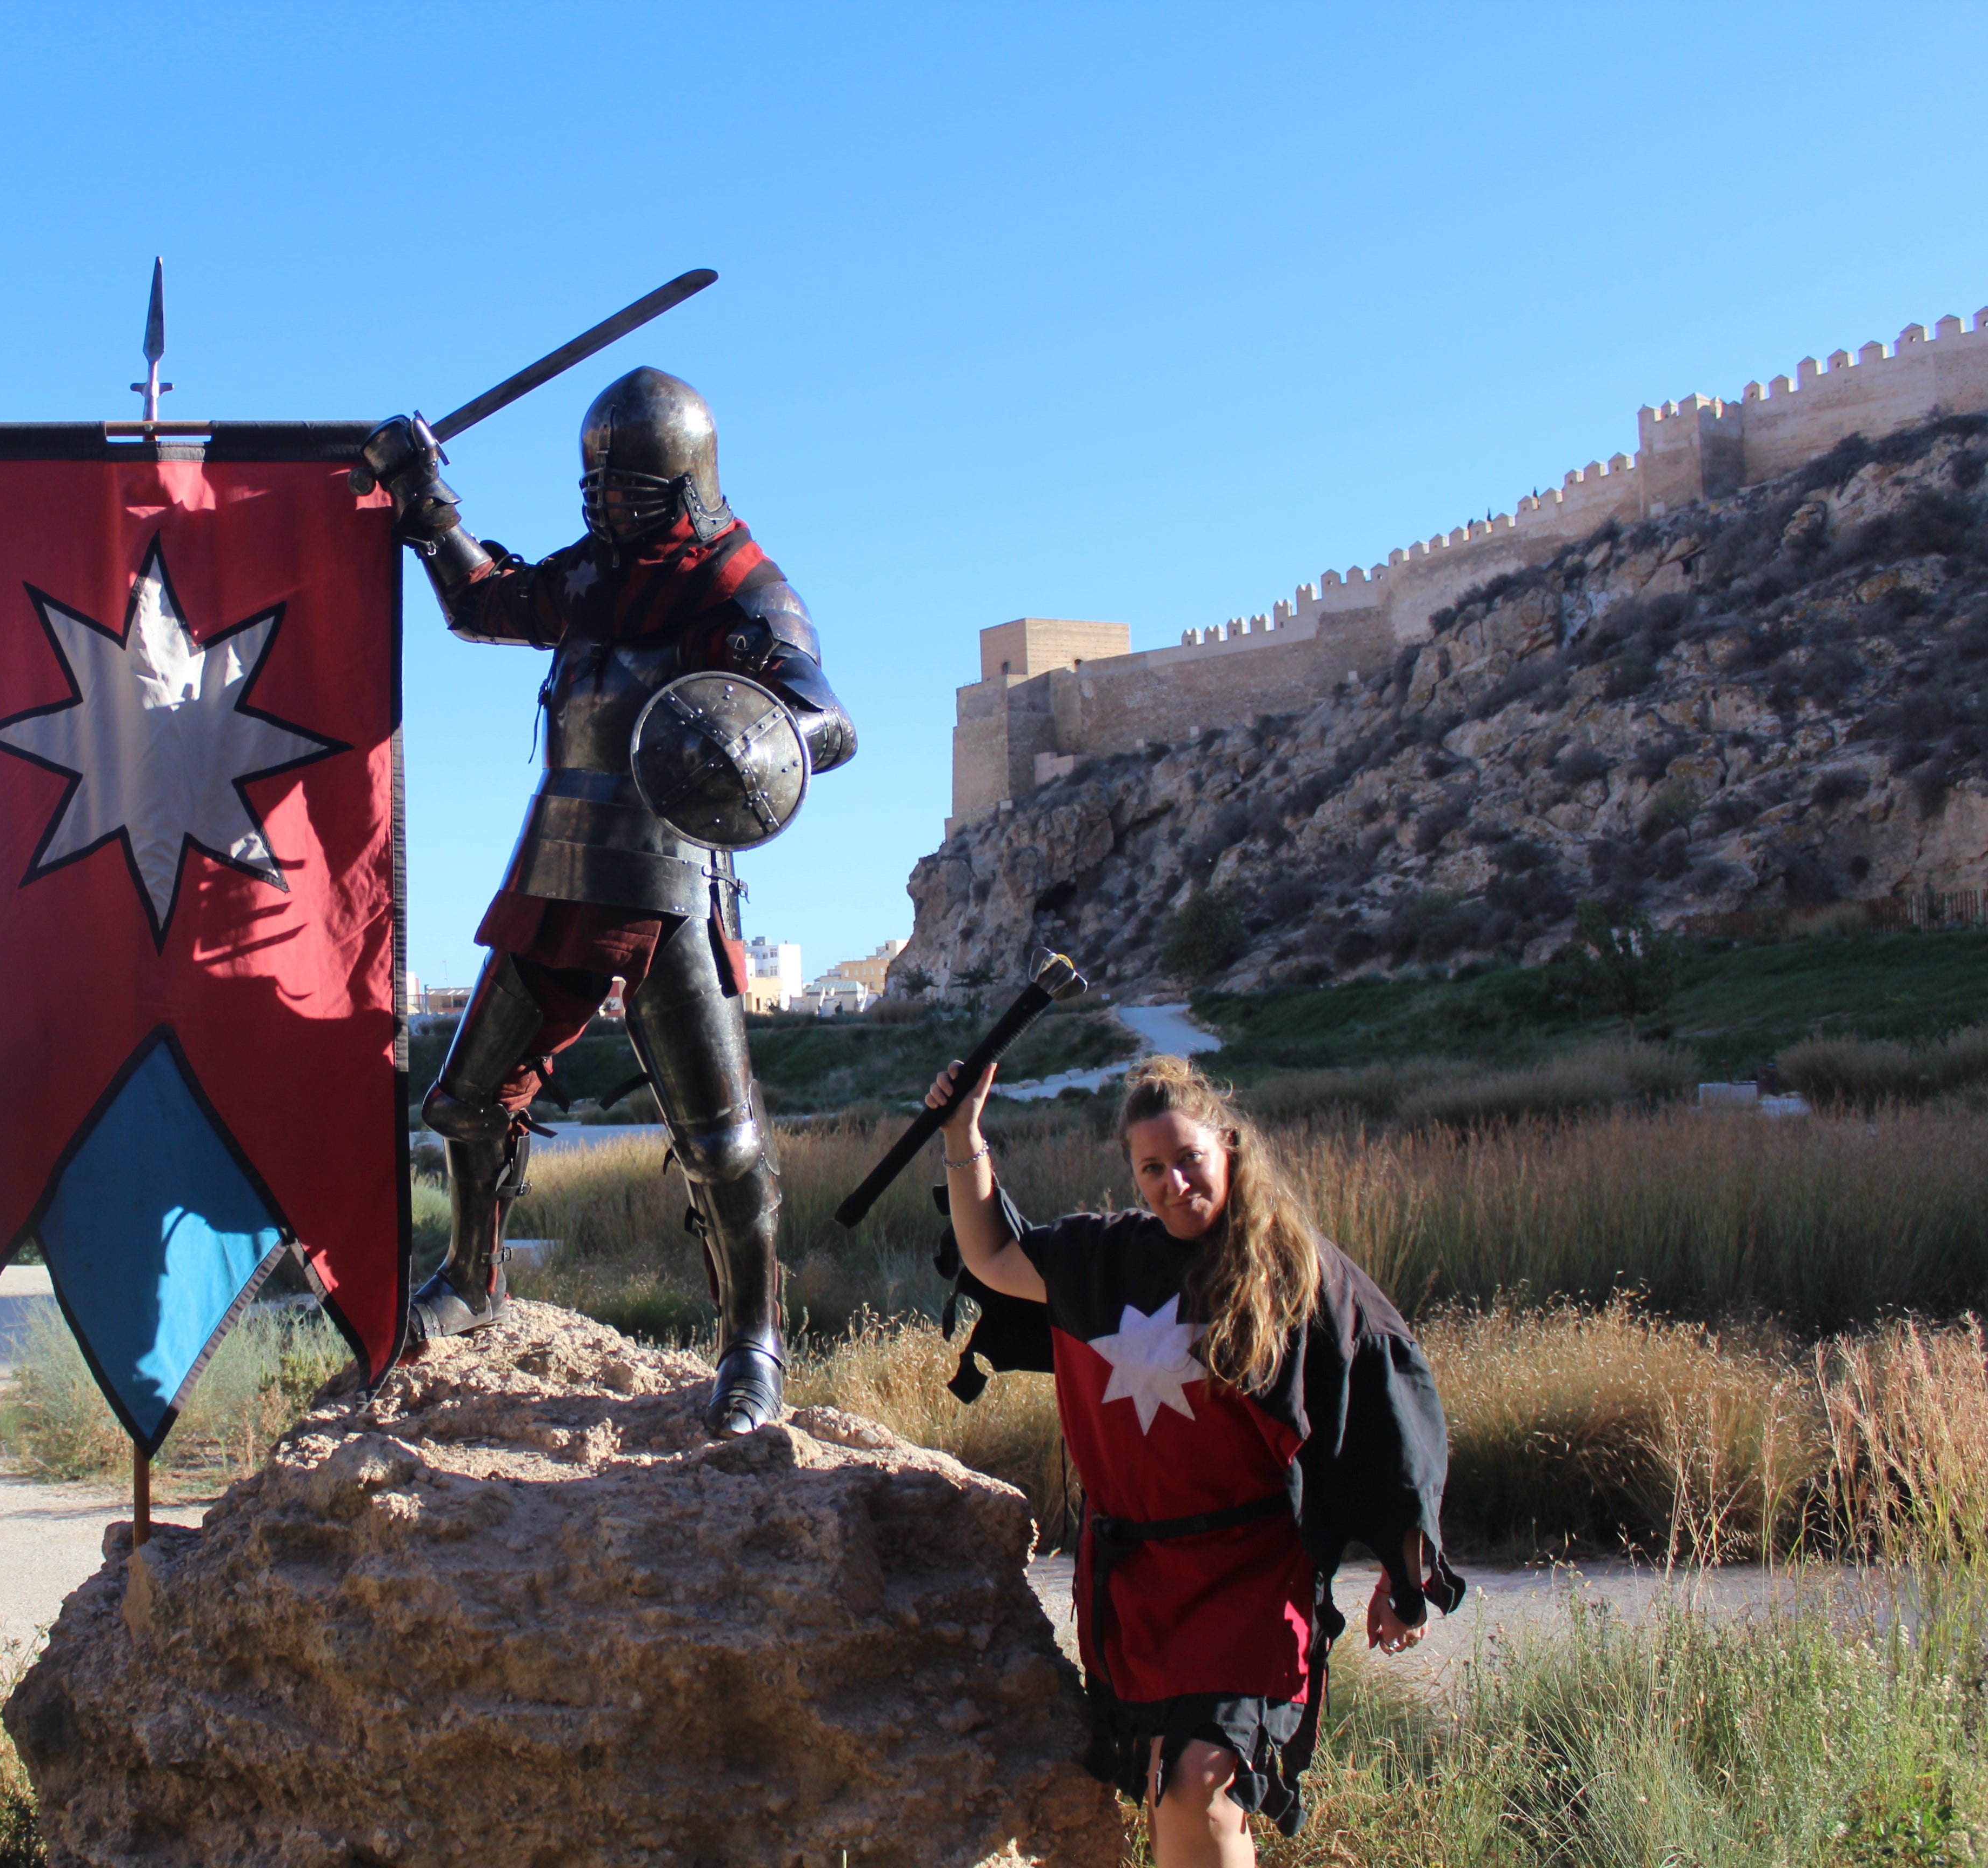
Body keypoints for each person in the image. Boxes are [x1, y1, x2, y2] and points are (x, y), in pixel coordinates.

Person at [362, 367, 857, 1433]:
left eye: (628, 488)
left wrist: (744, 737)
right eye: (597, 490)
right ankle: (475, 1280)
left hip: (672, 874)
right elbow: (485, 602)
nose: (606, 508)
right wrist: (424, 506)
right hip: (558, 865)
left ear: (682, 482)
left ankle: (752, 1344)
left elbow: (827, 722)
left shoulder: (739, 588)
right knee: (461, 1103)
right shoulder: (594, 578)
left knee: (721, 1142)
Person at [923, 1052, 1461, 1866]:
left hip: (1251, 1580)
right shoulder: (1101, 1259)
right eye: (1152, 1169)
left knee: (1199, 1789)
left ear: (1229, 1150)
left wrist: (1406, 1573)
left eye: (1188, 1160)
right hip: (1139, 1587)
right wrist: (963, 1137)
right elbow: (993, 1257)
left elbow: (1389, 1417)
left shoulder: (1293, 1273)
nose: (1174, 1182)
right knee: (1167, 1790)